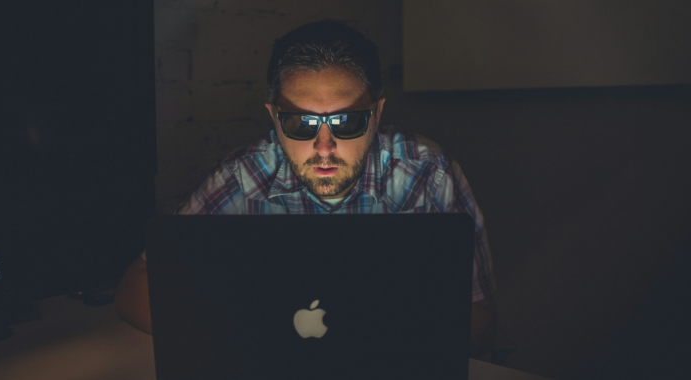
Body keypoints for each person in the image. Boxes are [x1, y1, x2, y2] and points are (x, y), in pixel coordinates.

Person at [115, 20, 497, 355]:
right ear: (275, 119)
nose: (324, 147)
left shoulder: (430, 174)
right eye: (301, 124)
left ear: (377, 114)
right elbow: (135, 287)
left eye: (347, 121)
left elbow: (479, 320)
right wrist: (249, 339)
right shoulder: (242, 177)